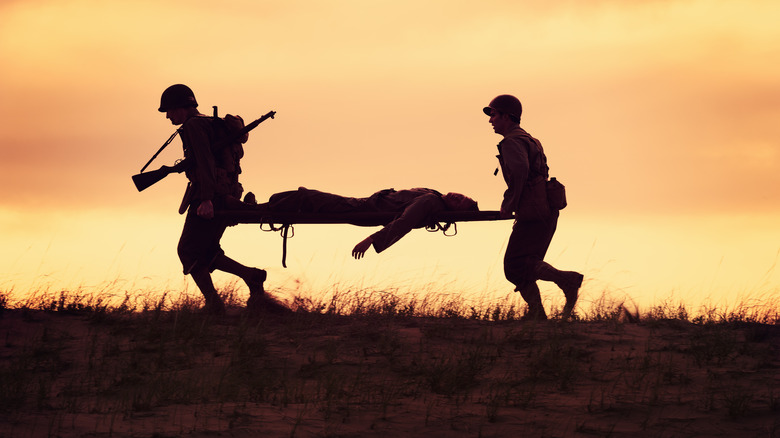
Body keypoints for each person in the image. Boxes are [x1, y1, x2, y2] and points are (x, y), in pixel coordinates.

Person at [157, 84, 288, 315]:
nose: (168, 115)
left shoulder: (194, 125)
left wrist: (206, 199)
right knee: (207, 250)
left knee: (187, 251)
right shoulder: (208, 123)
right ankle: (252, 276)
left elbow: (206, 161)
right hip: (225, 193)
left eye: (169, 110)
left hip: (209, 196)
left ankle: (215, 305)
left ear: (181, 107)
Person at [484, 94, 583, 320]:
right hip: (544, 210)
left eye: (493, 114)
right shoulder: (531, 139)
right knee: (525, 263)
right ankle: (537, 314)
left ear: (507, 117)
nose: (490, 120)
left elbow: (520, 172)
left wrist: (509, 204)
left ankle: (567, 281)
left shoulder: (511, 141)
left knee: (514, 265)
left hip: (533, 212)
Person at [251, 187, 478, 259]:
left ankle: (255, 210)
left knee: (306, 196)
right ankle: (260, 207)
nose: (459, 196)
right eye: (463, 195)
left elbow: (404, 222)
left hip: (361, 208)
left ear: (454, 213)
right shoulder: (435, 197)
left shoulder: (430, 202)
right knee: (307, 199)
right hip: (362, 204)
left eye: (461, 202)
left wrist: (371, 240)